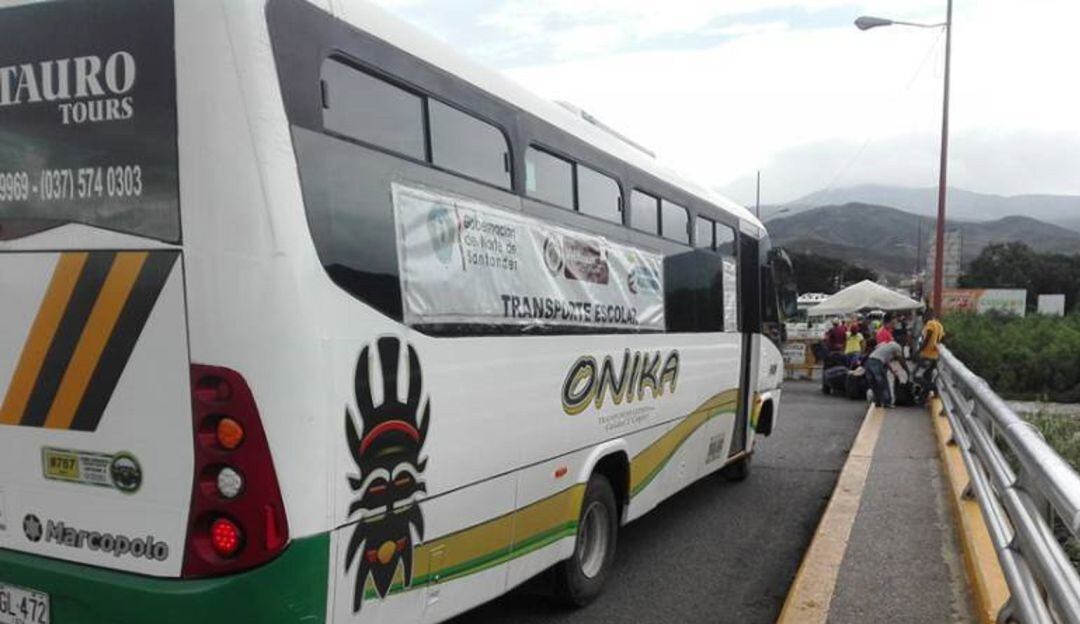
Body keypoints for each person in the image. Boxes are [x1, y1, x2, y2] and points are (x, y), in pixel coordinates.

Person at [865, 340, 910, 408]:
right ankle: (887, 402)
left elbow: (886, 363)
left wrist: (892, 372)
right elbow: (901, 360)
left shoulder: (885, 348)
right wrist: (907, 370)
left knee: (875, 384)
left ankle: (878, 402)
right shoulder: (897, 347)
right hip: (876, 363)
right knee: (883, 383)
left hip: (869, 362)